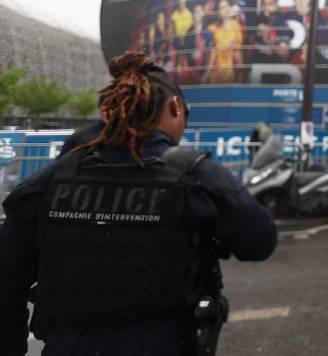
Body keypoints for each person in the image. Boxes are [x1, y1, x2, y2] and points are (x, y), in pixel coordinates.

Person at [0, 52, 276, 356]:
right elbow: (260, 241)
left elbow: (8, 276)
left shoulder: (52, 178)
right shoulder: (194, 174)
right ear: (174, 107)